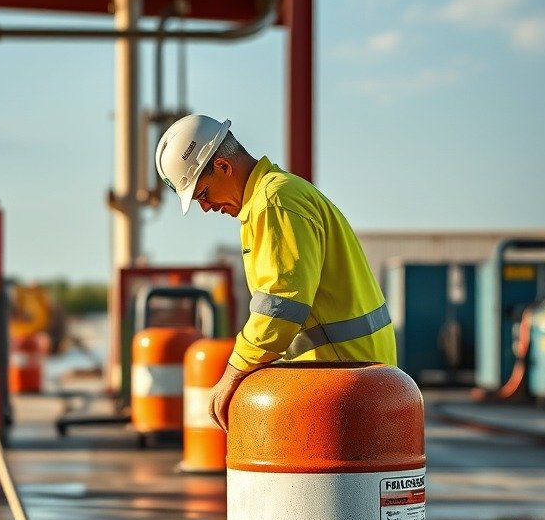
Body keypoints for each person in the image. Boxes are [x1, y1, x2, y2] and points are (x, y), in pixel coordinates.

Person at [155, 114, 396, 430]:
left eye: (203, 194)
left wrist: (233, 373)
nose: (206, 207)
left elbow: (280, 306)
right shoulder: (271, 200)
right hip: (355, 377)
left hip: (344, 383)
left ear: (223, 167)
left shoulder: (274, 202)